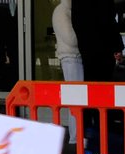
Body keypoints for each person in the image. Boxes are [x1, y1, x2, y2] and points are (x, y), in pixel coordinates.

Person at [52, 0, 82, 145]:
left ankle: (77, 135)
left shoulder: (68, 11)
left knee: (77, 98)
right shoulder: (61, 12)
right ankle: (75, 136)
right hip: (71, 58)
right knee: (75, 98)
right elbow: (71, 39)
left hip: (74, 57)